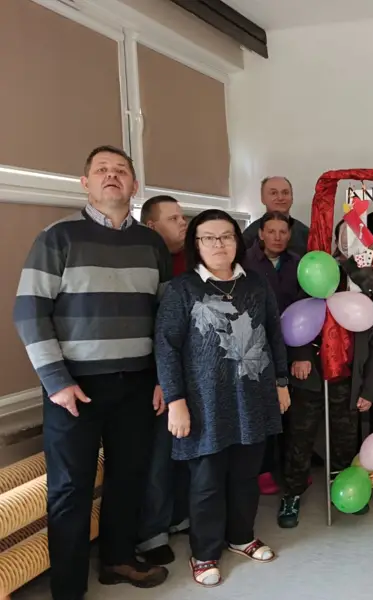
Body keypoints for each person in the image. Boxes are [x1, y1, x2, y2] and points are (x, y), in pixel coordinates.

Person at [13, 145, 171, 599]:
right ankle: (68, 589)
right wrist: (57, 381)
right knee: (70, 489)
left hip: (138, 383)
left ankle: (118, 560)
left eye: (121, 170)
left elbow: (166, 318)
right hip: (74, 386)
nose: (111, 175)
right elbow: (29, 312)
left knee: (129, 476)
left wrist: (163, 378)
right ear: (85, 183)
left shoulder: (152, 244)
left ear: (134, 185)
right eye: (101, 170)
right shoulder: (57, 238)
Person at [155, 210, 290, 587]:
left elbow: (274, 335)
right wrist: (176, 400)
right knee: (207, 481)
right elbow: (166, 347)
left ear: (237, 242)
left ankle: (241, 537)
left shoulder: (256, 284)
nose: (218, 244)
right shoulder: (182, 289)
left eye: (226, 236)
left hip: (253, 396)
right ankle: (204, 552)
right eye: (208, 238)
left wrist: (281, 382)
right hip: (205, 403)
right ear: (195, 244)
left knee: (246, 475)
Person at [277, 237, 373, 527]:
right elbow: (297, 318)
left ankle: (344, 488)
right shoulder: (327, 277)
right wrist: (300, 355)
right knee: (300, 438)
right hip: (310, 377)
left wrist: (369, 390)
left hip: (348, 379)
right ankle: (292, 493)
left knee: (345, 438)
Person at [136, 194, 190, 566]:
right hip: (155, 377)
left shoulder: (192, 263)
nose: (183, 223)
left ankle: (179, 516)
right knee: (157, 455)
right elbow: (153, 330)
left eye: (183, 217)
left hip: (191, 371)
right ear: (152, 226)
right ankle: (151, 532)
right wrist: (162, 379)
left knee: (185, 450)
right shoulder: (144, 265)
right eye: (174, 218)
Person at [242, 211, 302, 496]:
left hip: (291, 346)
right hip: (254, 348)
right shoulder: (245, 262)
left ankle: (290, 469)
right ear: (261, 234)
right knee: (261, 411)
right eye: (272, 231)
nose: (278, 237)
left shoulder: (298, 264)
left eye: (283, 232)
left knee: (291, 412)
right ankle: (263, 469)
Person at [242, 176, 309, 256]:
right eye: (274, 193)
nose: (280, 198)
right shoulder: (249, 236)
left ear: (292, 198)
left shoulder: (307, 234)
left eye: (285, 193)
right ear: (262, 198)